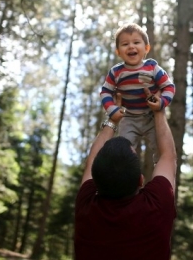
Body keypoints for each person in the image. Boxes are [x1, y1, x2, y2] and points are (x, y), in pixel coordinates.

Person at [74, 89, 177, 260]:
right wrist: (158, 111)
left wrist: (113, 120)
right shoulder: (156, 205)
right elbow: (168, 156)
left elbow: (91, 161)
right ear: (141, 180)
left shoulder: (86, 206)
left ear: (95, 181)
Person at [100, 23, 175, 162]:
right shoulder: (116, 72)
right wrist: (112, 110)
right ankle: (130, 177)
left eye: (136, 42)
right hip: (128, 118)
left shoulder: (152, 67)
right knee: (124, 151)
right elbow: (105, 91)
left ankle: (159, 175)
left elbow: (169, 87)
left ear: (146, 48)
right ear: (118, 51)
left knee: (161, 148)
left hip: (151, 116)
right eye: (125, 44)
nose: (131, 46)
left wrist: (162, 103)